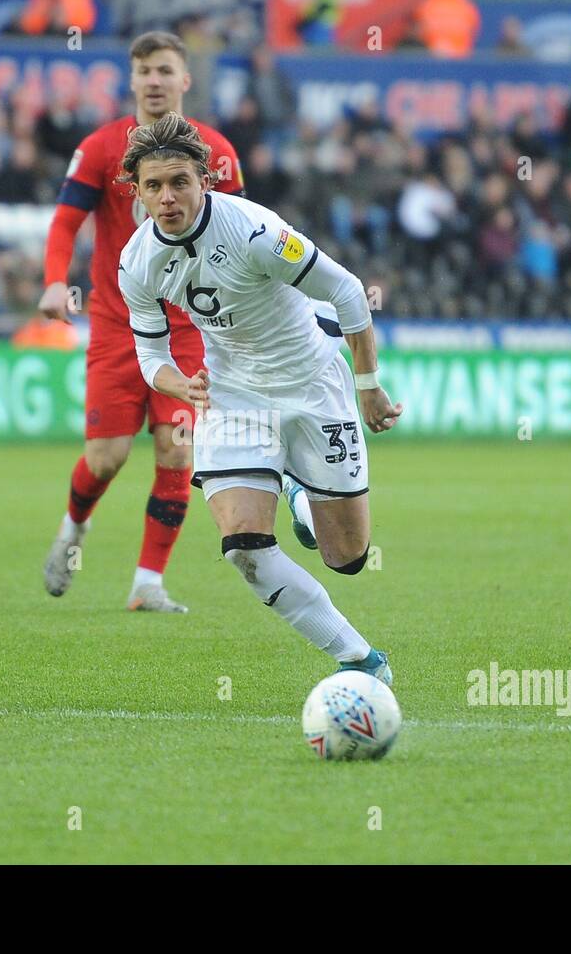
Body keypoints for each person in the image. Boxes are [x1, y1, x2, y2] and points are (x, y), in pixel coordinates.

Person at [118, 112, 402, 685]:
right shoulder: (138, 261)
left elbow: (347, 291)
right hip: (234, 396)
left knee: (346, 557)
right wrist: (183, 385)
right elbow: (153, 358)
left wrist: (368, 385)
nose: (167, 197)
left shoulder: (254, 232)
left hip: (313, 383)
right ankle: (360, 660)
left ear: (205, 180)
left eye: (179, 182)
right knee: (244, 547)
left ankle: (297, 491)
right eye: (153, 186)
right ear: (138, 192)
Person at [38, 32, 244, 612]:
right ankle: (73, 528)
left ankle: (148, 583)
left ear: (185, 80)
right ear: (131, 81)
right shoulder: (103, 147)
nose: (154, 80)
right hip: (116, 326)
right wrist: (56, 278)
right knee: (106, 457)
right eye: (144, 71)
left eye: (165, 70)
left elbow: (244, 228)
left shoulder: (217, 152)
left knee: (178, 452)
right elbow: (63, 222)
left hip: (188, 330)